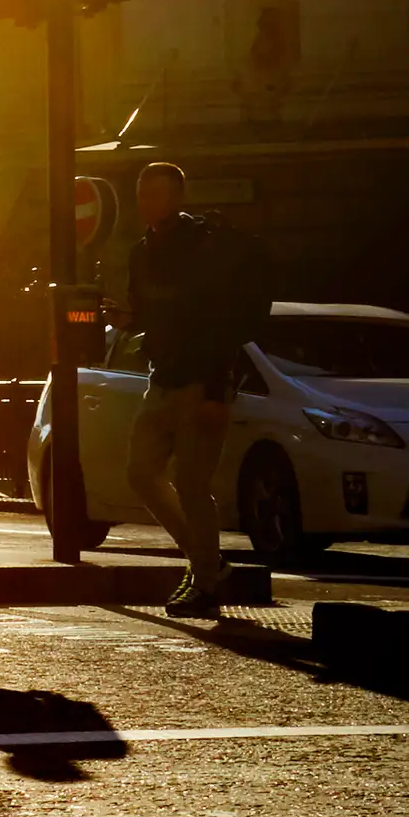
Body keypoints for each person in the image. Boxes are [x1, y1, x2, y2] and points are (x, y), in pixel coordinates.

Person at [123, 158, 270, 615]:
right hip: (162, 377)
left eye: (161, 193)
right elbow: (151, 315)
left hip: (200, 381)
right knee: (140, 472)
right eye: (145, 193)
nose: (151, 202)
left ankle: (205, 580)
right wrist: (129, 321)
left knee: (190, 480)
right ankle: (208, 563)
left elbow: (220, 325)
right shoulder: (141, 251)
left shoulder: (204, 248)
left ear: (179, 198)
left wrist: (212, 391)